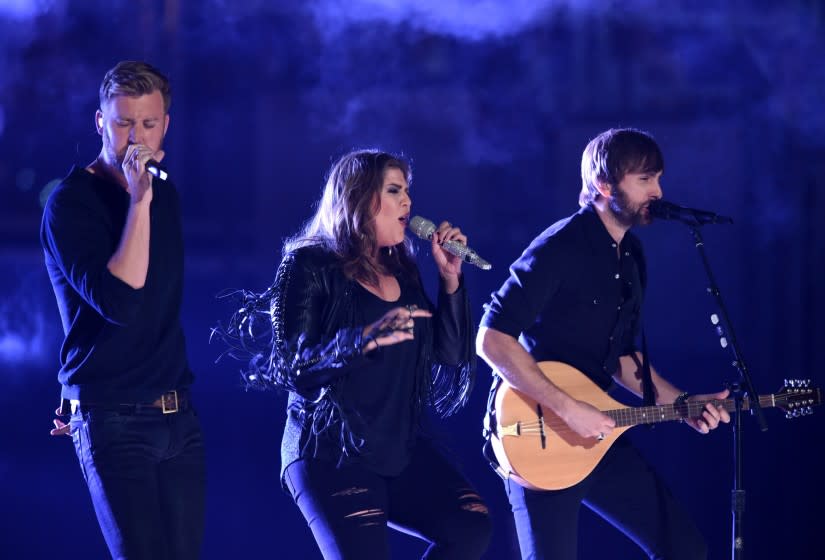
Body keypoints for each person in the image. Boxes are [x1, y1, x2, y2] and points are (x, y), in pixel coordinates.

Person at [220, 149, 491, 559]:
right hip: (330, 452)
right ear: (360, 198)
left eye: (408, 192)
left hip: (397, 447)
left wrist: (451, 281)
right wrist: (362, 338)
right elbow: (295, 368)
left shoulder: (402, 270)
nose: (408, 203)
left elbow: (450, 354)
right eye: (395, 190)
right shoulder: (309, 263)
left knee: (469, 527)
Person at [476, 128, 730, 560]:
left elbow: (622, 359)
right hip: (538, 434)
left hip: (597, 431)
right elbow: (491, 338)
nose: (658, 191)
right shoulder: (558, 247)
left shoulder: (631, 256)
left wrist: (683, 403)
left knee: (684, 548)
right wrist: (567, 408)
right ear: (604, 185)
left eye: (658, 178)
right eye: (645, 179)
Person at [41, 60, 205, 559]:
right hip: (113, 420)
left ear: (166, 127)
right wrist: (137, 204)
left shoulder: (166, 196)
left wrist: (149, 198)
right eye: (123, 123)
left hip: (177, 414)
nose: (135, 137)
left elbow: (161, 307)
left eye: (148, 124)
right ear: (100, 122)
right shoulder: (72, 203)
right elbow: (122, 300)